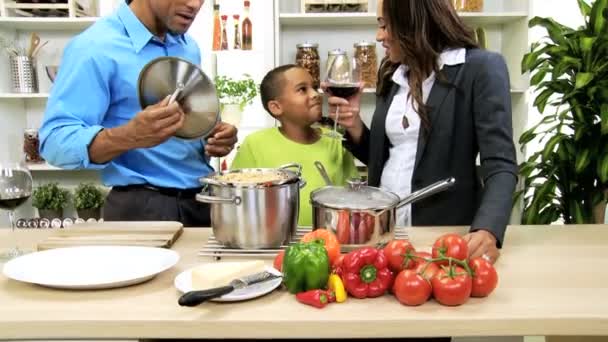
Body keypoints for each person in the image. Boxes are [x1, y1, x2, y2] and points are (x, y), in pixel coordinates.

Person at [326, 0, 518, 267]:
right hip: (385, 233)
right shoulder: (393, 72)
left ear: (414, 22)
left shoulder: (480, 68)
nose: (379, 36)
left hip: (443, 236)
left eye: (384, 26)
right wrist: (354, 125)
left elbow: (501, 164)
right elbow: (389, 159)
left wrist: (488, 229)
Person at [39, 0, 238, 227]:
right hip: (143, 208)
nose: (194, 4)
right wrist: (128, 136)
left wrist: (213, 136)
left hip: (203, 200)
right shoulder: (94, 46)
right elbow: (54, 142)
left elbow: (185, 126)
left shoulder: (187, 46)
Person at [231, 64, 359, 226]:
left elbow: (354, 198)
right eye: (302, 89)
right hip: (272, 243)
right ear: (276, 107)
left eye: (314, 87)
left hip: (328, 241)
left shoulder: (336, 143)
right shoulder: (255, 144)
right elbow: (237, 200)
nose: (315, 94)